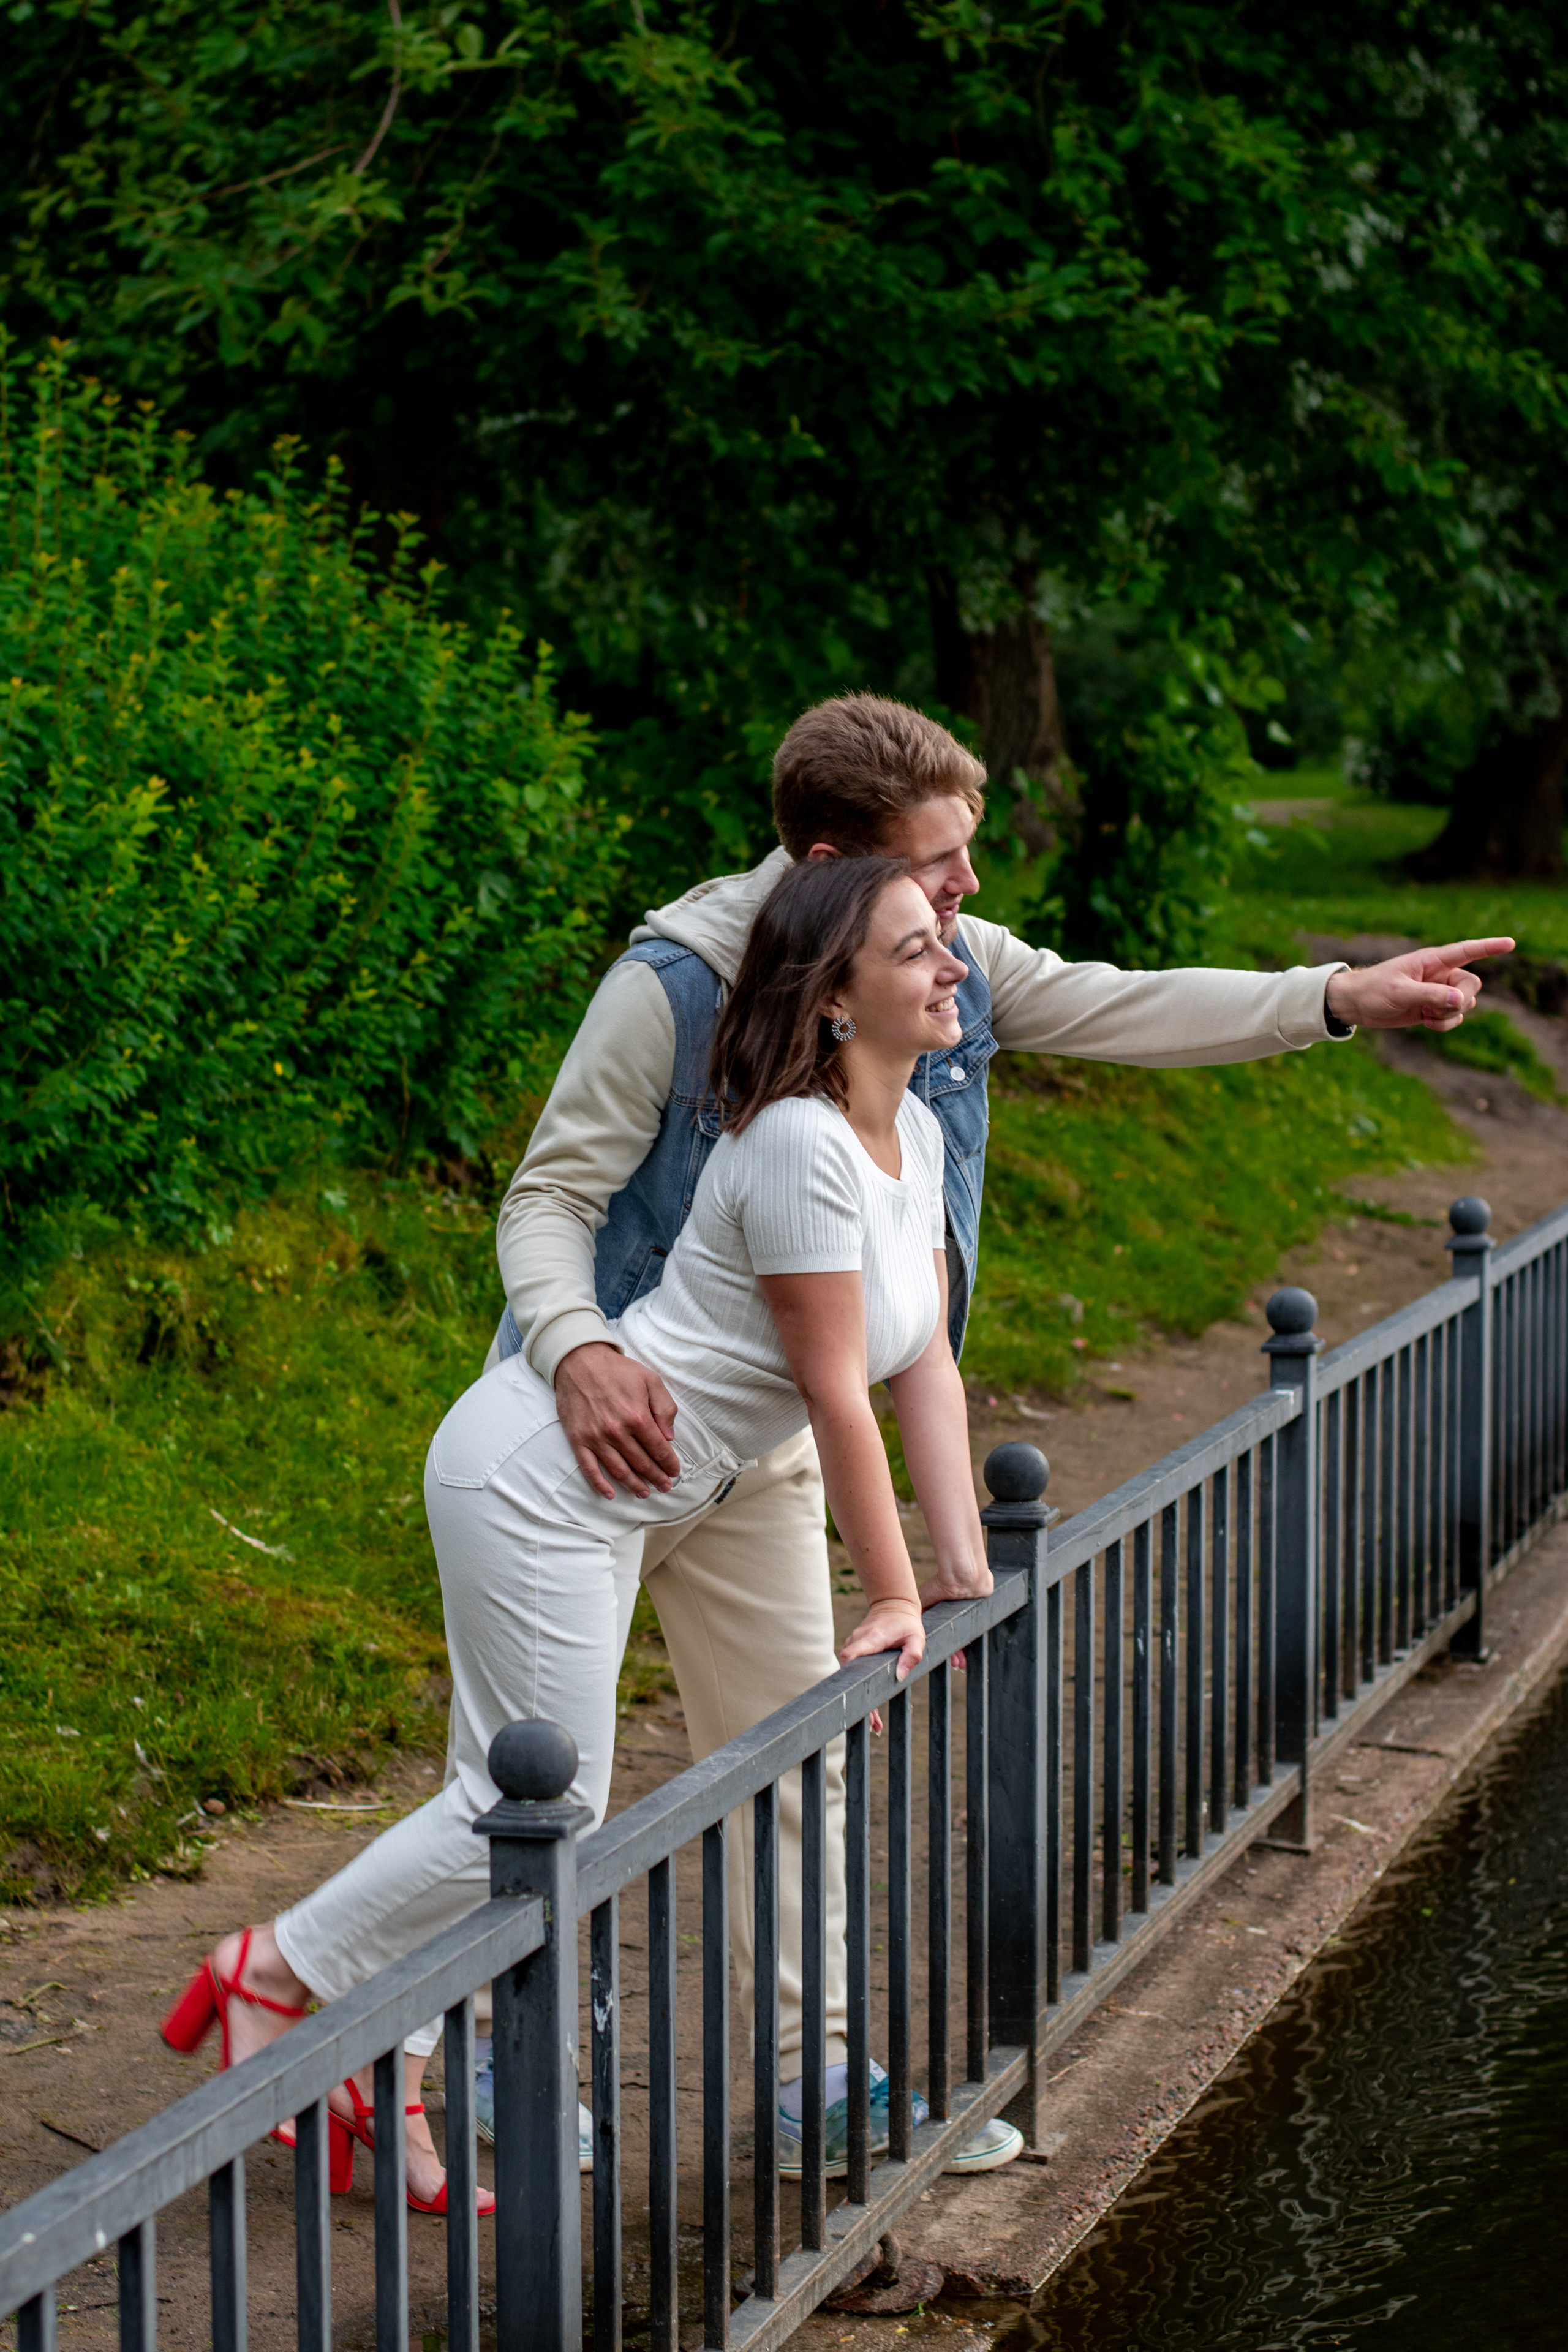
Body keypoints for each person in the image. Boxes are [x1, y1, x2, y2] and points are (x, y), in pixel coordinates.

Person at [486, 692, 1512, 2176]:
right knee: (540, 1789)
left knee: (792, 1756)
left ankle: (807, 2083)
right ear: (835, 863)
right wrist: (576, 1348)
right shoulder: (675, 981)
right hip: (604, 1434)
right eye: (938, 864)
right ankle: (507, 2082)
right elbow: (547, 1198)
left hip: (765, 1439)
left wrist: (1336, 996)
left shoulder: (935, 959)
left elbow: (1118, 999)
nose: (967, 897)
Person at [160, 854, 996, 2209]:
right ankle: (274, 1973)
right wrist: (893, 1598)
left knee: (537, 1806)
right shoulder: (792, 1142)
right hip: (542, 1480)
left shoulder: (901, 1141)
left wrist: (961, 1580)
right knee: (527, 1805)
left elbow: (924, 1372)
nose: (951, 962)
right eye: (914, 949)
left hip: (644, 1486)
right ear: (834, 1001)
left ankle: (370, 2063)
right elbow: (837, 1395)